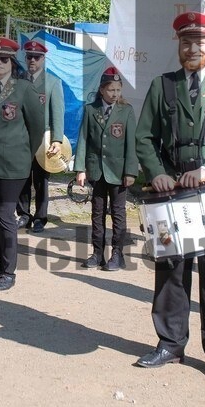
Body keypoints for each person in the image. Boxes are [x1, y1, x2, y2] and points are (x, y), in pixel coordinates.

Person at [134, 11, 205, 383]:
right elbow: (144, 138)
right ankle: (170, 343)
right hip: (172, 197)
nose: (192, 48)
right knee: (170, 271)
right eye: (186, 42)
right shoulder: (162, 86)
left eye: (200, 42)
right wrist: (158, 173)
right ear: (178, 45)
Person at [0, 37, 45, 292]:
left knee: (4, 216)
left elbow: (36, 127)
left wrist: (24, 153)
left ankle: (8, 272)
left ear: (12, 62)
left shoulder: (23, 89)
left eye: (3, 59)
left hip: (12, 163)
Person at [72, 67, 138, 271]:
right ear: (102, 90)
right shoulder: (90, 110)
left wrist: (130, 171)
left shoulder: (126, 111)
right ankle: (97, 253)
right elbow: (83, 139)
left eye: (118, 90)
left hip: (118, 172)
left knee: (118, 213)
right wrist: (80, 169)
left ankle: (118, 254)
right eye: (111, 90)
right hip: (97, 170)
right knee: (97, 212)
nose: (115, 94)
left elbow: (131, 144)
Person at [16, 39, 65, 233]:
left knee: (41, 180)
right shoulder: (18, 81)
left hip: (43, 140)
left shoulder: (52, 82)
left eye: (36, 57)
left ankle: (40, 217)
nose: (32, 61)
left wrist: (57, 140)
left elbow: (58, 114)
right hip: (21, 138)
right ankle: (24, 214)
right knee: (22, 178)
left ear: (43, 59)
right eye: (29, 57)